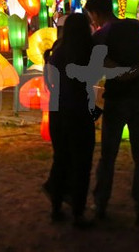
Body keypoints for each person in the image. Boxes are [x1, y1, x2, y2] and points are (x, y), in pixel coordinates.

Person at [84, 0, 139, 226]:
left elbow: (108, 69)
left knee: (108, 155)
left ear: (95, 13)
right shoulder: (136, 26)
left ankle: (100, 204)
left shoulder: (99, 37)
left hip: (117, 99)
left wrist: (127, 73)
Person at [42, 12, 96, 228]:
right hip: (79, 112)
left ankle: (56, 207)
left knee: (61, 158)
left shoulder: (58, 52)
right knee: (82, 163)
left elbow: (51, 81)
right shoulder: (85, 52)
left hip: (57, 111)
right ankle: (78, 213)